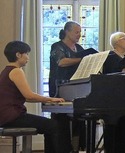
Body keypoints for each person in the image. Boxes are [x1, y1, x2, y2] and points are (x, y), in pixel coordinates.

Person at [0, 41, 69, 153]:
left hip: (5, 116)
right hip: (12, 117)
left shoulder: (6, 70)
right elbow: (29, 95)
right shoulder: (16, 71)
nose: (28, 57)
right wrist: (50, 99)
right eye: (26, 54)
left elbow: (26, 97)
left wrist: (45, 99)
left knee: (50, 126)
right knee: (54, 126)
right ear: (18, 55)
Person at [48, 21, 86, 152]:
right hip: (60, 89)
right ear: (67, 32)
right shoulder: (57, 46)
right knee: (61, 121)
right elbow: (61, 62)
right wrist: (83, 60)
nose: (79, 34)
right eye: (76, 32)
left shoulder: (79, 48)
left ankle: (76, 148)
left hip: (77, 89)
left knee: (78, 120)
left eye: (80, 32)